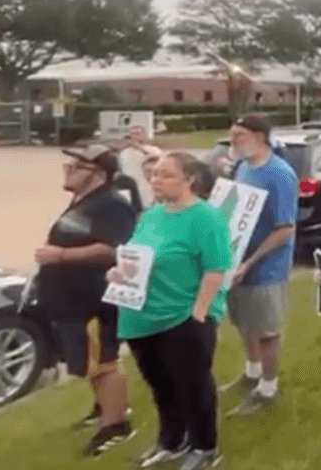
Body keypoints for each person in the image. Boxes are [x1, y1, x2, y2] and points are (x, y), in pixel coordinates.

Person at [116, 153, 231, 470]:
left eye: (165, 175)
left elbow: (215, 267)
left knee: (193, 386)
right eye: (153, 175)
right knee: (161, 386)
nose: (155, 180)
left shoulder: (205, 217)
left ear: (189, 180)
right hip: (141, 316)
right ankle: (171, 440)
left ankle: (204, 446)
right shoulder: (151, 215)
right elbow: (136, 257)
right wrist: (119, 274)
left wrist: (200, 313)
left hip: (182, 317)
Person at [34, 144, 138, 456]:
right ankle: (104, 408)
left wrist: (61, 254)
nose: (68, 170)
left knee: (104, 364)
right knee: (90, 362)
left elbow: (111, 249)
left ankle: (115, 426)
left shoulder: (112, 204)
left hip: (94, 300)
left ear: (98, 174)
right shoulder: (83, 200)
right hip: (69, 299)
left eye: (76, 166)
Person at [219, 114, 299, 415]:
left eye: (239, 135)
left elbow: (284, 227)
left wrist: (250, 262)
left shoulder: (280, 174)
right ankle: (252, 371)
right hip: (235, 261)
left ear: (260, 136)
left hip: (266, 266)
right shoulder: (242, 168)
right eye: (232, 135)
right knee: (244, 322)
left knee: (266, 329)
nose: (234, 141)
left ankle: (268, 385)